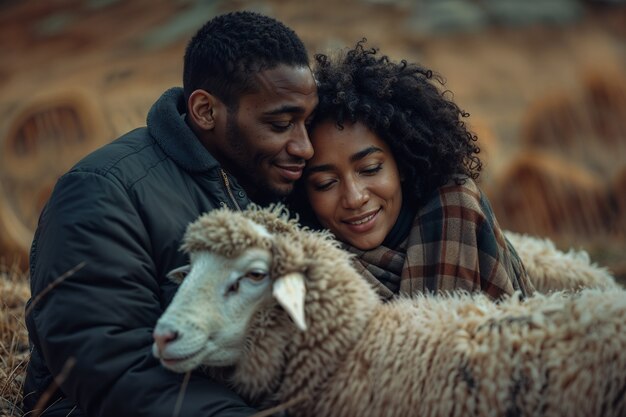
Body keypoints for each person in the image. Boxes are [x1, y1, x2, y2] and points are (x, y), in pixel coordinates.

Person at [24, 11, 317, 417]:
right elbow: (109, 369)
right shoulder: (102, 191)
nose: (305, 147)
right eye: (281, 123)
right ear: (205, 111)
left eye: (306, 122)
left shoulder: (279, 182)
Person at [291, 41, 534, 301]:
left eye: (370, 169)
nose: (354, 198)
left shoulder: (454, 211)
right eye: (325, 183)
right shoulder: (302, 267)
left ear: (402, 164)